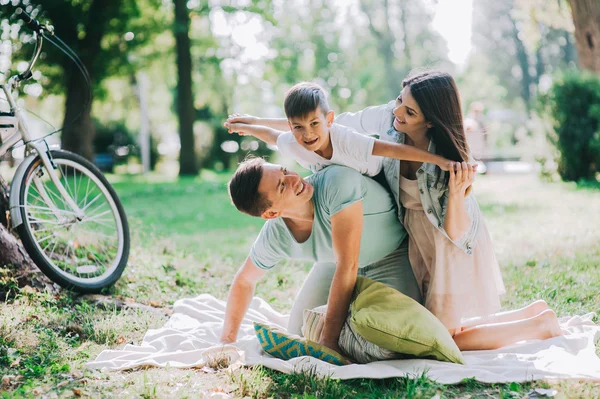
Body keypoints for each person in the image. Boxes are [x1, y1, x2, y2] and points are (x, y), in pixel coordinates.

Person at [226, 70, 563, 350]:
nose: (398, 111)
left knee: (441, 336)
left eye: (409, 111)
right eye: (400, 101)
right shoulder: (390, 124)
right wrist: (255, 122)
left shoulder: (447, 170)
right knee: (431, 326)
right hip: (412, 236)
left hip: (446, 244)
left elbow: (456, 232)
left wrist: (456, 189)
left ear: (429, 122)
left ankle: (538, 327)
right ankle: (534, 313)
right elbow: (312, 122)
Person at [220, 160, 422, 355]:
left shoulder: (336, 181)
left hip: (392, 254)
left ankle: (347, 325)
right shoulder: (276, 234)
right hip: (334, 264)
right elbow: (245, 280)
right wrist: (227, 341)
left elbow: (348, 264)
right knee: (298, 330)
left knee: (398, 337)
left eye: (284, 170)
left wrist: (328, 341)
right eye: (282, 186)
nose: (293, 178)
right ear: (272, 213)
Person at [224, 82, 453, 176]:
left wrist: (438, 160)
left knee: (335, 178)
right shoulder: (295, 142)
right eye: (298, 127)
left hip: (376, 181)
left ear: (329, 120)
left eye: (315, 124)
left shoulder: (347, 140)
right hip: (344, 185)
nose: (308, 134)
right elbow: (272, 135)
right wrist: (250, 125)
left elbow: (395, 151)